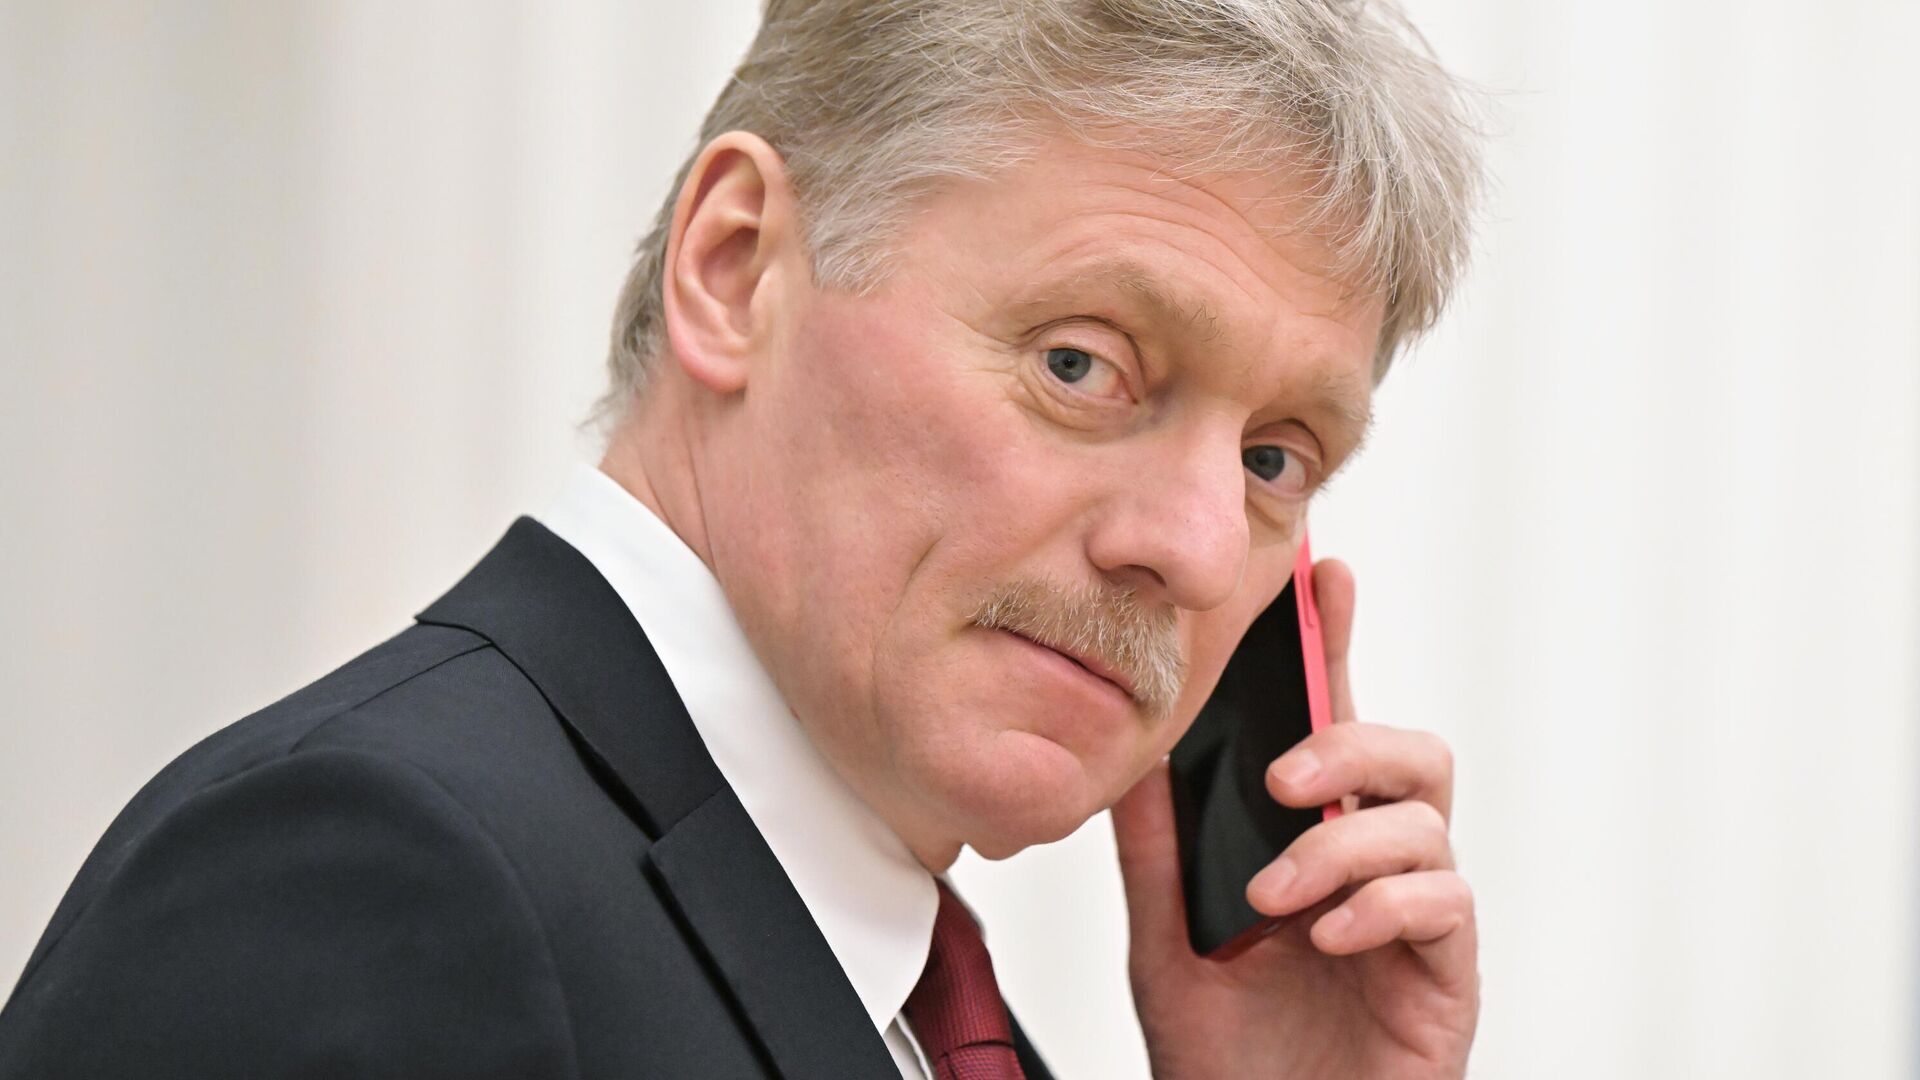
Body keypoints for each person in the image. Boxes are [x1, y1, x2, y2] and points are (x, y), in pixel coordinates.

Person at [0, 0, 1484, 1076]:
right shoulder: (371, 883)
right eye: (1081, 363)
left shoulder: (905, 999)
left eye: (1275, 457)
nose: (1199, 548)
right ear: (734, 269)